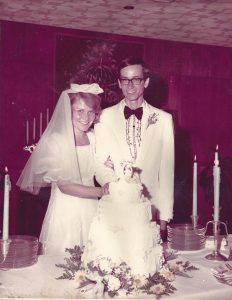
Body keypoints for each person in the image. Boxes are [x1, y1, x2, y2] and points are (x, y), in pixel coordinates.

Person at [17, 83, 109, 254]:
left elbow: (98, 167)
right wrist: (102, 192)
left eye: (90, 111)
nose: (85, 117)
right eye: (79, 111)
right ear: (68, 111)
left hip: (93, 209)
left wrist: (110, 167)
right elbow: (65, 186)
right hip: (66, 211)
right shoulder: (57, 141)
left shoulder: (93, 137)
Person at [94, 57, 174, 239]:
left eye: (136, 79)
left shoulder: (163, 120)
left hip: (149, 210)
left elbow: (166, 173)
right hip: (115, 206)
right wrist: (114, 186)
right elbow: (99, 163)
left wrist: (164, 219)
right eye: (125, 80)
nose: (130, 85)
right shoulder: (104, 117)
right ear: (119, 83)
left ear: (145, 82)